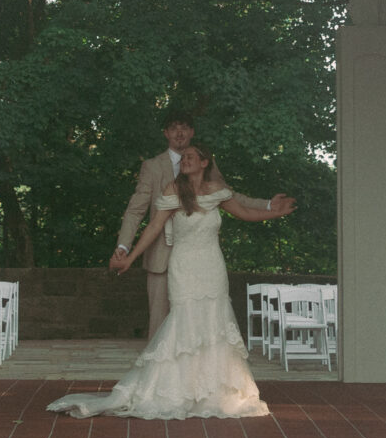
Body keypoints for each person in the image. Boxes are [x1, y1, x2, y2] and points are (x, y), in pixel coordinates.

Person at [53, 146, 294, 420]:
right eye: (184, 158)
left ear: (204, 162)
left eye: (191, 157)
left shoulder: (217, 189)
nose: (185, 160)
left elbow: (245, 213)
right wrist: (130, 257)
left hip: (212, 266)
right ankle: (173, 390)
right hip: (184, 266)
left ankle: (212, 392)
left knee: (214, 322)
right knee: (185, 321)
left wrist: (275, 213)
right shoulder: (173, 190)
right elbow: (154, 227)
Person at [112, 112, 198, 339]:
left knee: (195, 319)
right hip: (161, 253)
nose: (179, 132)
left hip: (197, 253)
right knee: (159, 325)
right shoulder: (151, 167)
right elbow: (136, 209)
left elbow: (228, 196)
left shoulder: (206, 164)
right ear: (166, 133)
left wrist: (267, 206)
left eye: (184, 127)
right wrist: (124, 246)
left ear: (192, 132)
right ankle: (158, 372)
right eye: (174, 127)